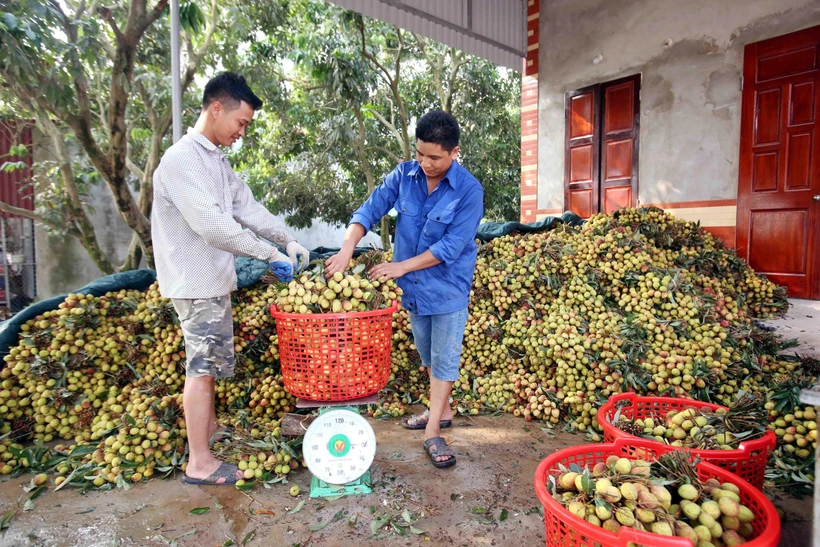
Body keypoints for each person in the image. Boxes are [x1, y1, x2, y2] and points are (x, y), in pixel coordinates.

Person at [152, 72, 309, 485]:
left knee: (210, 366)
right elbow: (212, 226)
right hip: (194, 282)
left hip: (213, 281)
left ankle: (209, 432)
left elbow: (248, 208)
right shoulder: (181, 161)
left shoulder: (215, 161)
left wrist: (286, 239)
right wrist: (268, 253)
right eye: (241, 123)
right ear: (216, 108)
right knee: (201, 369)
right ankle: (200, 463)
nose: (242, 132)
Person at [325, 110, 484, 468]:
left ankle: (433, 432)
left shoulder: (469, 191)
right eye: (420, 154)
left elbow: (451, 248)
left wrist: (399, 266)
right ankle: (442, 411)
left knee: (444, 359)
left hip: (447, 288)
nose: (424, 163)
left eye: (434, 157)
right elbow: (369, 210)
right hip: (413, 289)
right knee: (427, 355)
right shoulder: (404, 175)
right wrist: (347, 247)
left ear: (454, 152)